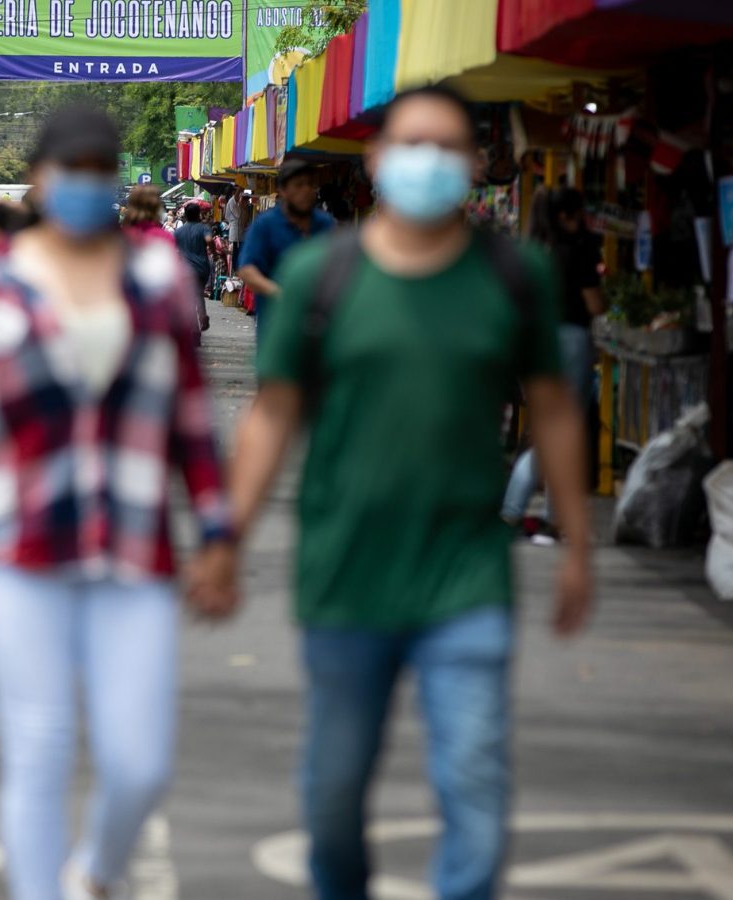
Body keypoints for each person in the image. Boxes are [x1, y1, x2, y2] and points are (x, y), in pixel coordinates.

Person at [219, 85, 594, 900]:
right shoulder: (324, 273)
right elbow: (272, 417)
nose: (430, 162)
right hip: (346, 576)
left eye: (449, 148)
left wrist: (577, 544)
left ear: (475, 166)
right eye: (413, 145)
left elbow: (555, 410)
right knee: (333, 794)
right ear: (381, 162)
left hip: (465, 578)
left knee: (474, 780)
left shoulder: (512, 274)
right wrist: (226, 537)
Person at [0, 104, 237, 900]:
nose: (85, 185)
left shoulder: (156, 279)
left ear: (115, 182)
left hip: (136, 549)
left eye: (99, 172)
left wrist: (218, 531)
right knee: (39, 747)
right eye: (70, 171)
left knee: (140, 761)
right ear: (44, 180)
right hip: (21, 547)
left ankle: (100, 871)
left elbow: (190, 417)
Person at [502, 188, 603, 535]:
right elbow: (594, 304)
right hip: (571, 339)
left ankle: (530, 513)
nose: (583, 221)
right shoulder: (576, 251)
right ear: (564, 216)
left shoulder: (534, 250)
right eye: (579, 214)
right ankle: (536, 514)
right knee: (562, 430)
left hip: (538, 340)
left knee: (546, 428)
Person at [237, 157, 336, 340]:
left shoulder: (325, 224)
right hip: (276, 327)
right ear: (282, 190)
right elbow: (247, 270)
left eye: (309, 185)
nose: (306, 190)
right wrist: (280, 293)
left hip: (321, 328)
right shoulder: (266, 224)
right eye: (298, 185)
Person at [173, 203, 214, 327]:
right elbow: (209, 240)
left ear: (185, 215)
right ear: (198, 214)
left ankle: (195, 328)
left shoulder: (178, 231)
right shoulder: (203, 228)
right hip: (202, 268)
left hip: (185, 270)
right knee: (198, 293)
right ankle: (202, 315)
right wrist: (214, 251)